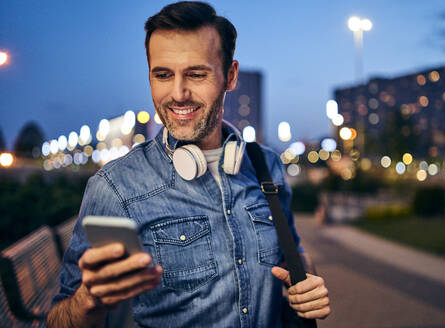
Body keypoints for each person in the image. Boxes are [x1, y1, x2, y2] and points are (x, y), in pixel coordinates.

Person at [47, 2, 330, 327]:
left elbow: (294, 256)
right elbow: (57, 320)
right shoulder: (115, 188)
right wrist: (89, 300)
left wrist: (307, 282)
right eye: (163, 75)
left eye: (196, 74)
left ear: (231, 76)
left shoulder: (266, 166)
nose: (178, 93)